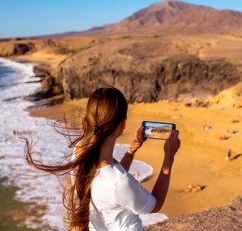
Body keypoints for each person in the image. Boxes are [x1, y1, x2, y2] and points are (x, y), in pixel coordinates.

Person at [24, 87, 181, 231]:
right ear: (124, 122)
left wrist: (132, 150)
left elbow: (112, 185)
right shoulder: (119, 181)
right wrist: (169, 157)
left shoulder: (79, 152)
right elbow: (155, 205)